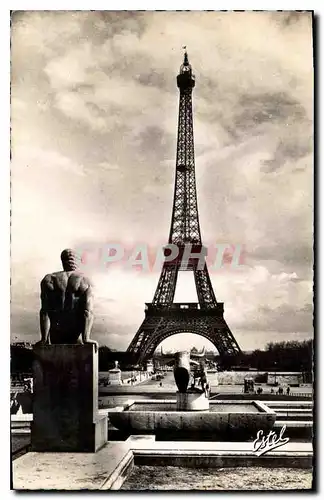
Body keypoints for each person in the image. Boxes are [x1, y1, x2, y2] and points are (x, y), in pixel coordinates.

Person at [35, 249, 98, 351]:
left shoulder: (49, 279)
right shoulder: (85, 280)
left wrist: (44, 338)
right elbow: (88, 312)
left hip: (56, 334)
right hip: (75, 335)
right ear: (77, 261)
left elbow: (44, 312)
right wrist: (86, 338)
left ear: (63, 261)